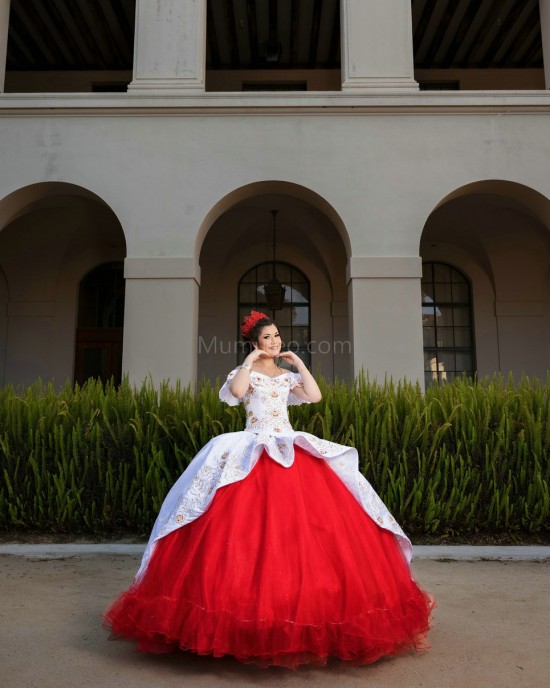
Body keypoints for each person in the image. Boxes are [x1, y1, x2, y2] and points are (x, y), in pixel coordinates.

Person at [104, 310, 434, 669]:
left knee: (311, 531)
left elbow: (316, 396)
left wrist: (300, 364)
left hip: (289, 446)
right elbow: (237, 392)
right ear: (254, 343)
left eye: (278, 336)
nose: (275, 342)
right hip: (251, 447)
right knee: (238, 530)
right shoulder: (245, 373)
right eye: (268, 338)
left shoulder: (287, 376)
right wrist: (247, 362)